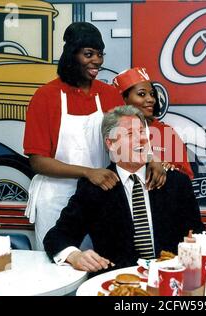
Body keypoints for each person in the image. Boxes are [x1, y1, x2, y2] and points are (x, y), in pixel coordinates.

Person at [23, 22, 166, 250]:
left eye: (100, 54)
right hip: (56, 197)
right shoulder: (45, 97)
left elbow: (130, 134)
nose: (97, 61)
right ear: (72, 55)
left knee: (99, 261)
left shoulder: (109, 94)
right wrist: (88, 172)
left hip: (101, 193)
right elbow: (37, 161)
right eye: (88, 54)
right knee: (60, 259)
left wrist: (152, 159)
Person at [43, 105, 205, 272]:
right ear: (111, 143)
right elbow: (56, 236)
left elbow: (197, 233)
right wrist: (75, 256)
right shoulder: (94, 188)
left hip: (170, 279)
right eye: (130, 134)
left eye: (142, 132)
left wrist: (196, 245)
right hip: (117, 283)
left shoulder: (176, 182)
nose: (141, 139)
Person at [113, 67, 194, 179]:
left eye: (152, 94)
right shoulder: (115, 132)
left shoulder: (165, 132)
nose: (151, 99)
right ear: (124, 99)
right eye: (141, 94)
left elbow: (187, 176)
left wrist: (170, 169)